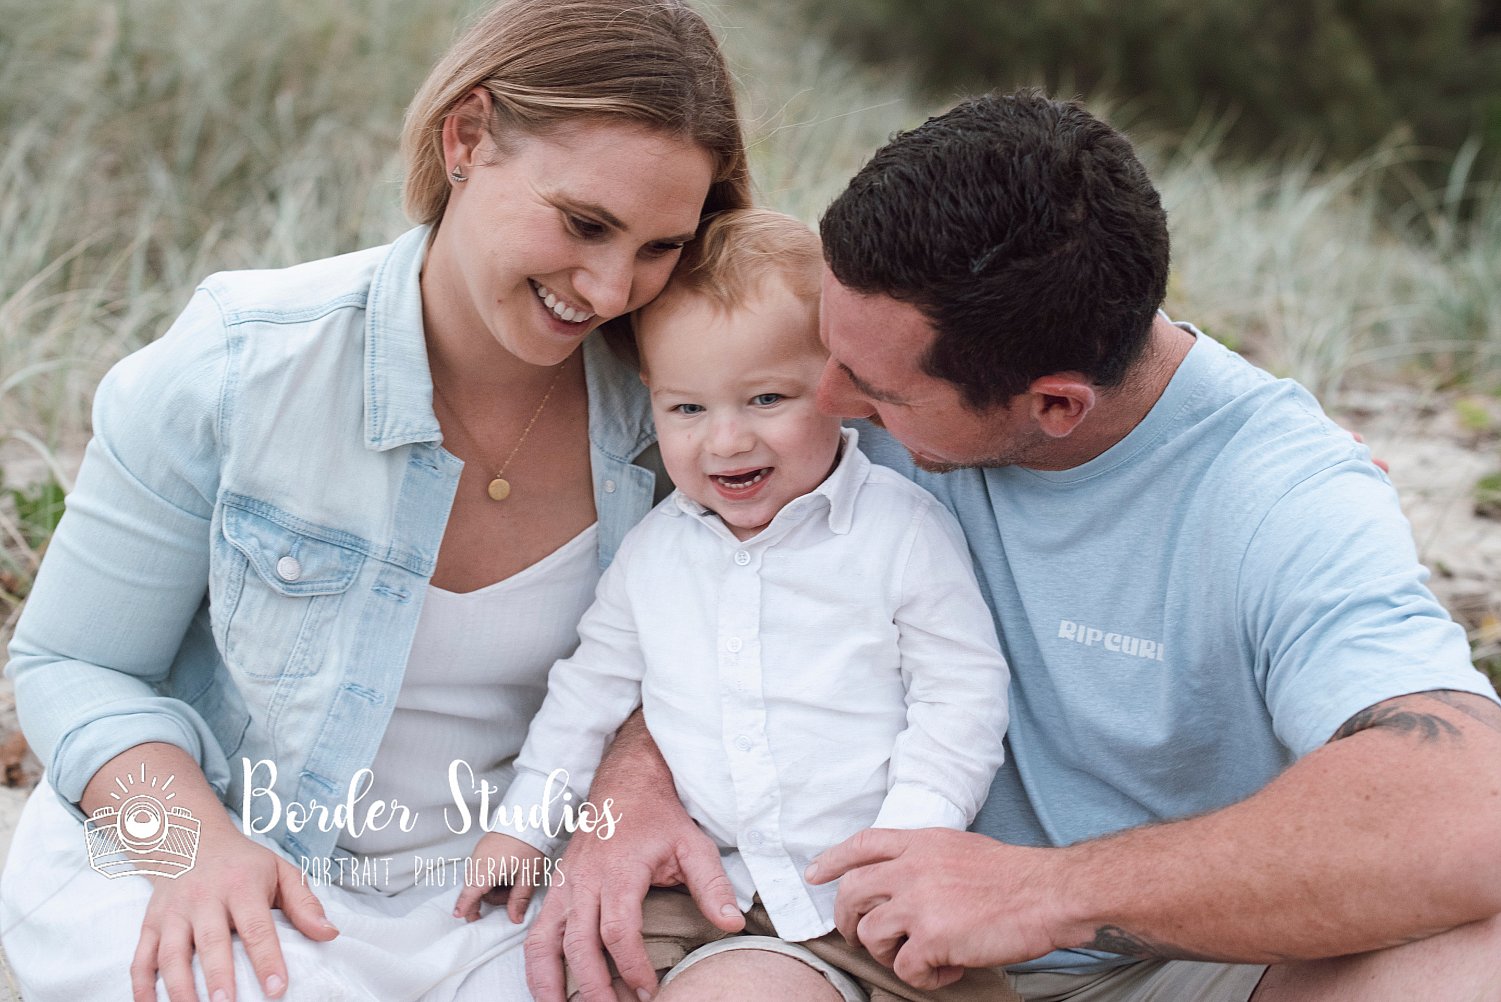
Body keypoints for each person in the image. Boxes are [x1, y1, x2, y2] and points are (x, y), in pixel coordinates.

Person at [524, 90, 1501, 1002]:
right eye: (824, 356)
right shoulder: (855, 369)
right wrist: (636, 775)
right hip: (852, 946)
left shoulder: (1279, 494)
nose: (827, 403)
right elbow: (700, 579)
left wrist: (1048, 892)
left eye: (875, 392)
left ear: (1053, 406)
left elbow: (1465, 804)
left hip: (1180, 960)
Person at [0, 1, 749, 1000]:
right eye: (583, 224)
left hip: (492, 893)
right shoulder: (239, 362)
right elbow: (72, 663)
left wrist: (638, 770)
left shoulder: (689, 418)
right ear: (467, 137)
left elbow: (745, 632)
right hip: (213, 850)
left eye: (660, 247)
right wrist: (188, 847)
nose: (611, 288)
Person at [451, 209, 1011, 1002]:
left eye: (766, 399)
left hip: (862, 891)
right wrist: (524, 821)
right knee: (578, 972)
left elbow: (959, 693)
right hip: (697, 886)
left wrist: (909, 838)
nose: (725, 442)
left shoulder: (898, 530)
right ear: (651, 398)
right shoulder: (653, 554)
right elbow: (589, 692)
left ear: (836, 386)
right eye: (686, 410)